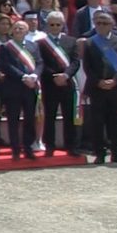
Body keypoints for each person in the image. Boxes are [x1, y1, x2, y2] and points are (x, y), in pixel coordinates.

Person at [80, 11, 117, 164]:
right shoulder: (90, 42)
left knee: (115, 121)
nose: (101, 26)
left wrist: (115, 80)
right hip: (98, 87)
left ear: (112, 25)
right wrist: (98, 81)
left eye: (105, 23)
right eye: (98, 23)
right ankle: (99, 153)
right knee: (98, 121)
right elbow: (87, 66)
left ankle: (116, 152)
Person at [37, 11, 81, 156]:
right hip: (50, 84)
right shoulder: (41, 44)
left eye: (58, 24)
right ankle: (49, 146)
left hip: (67, 83)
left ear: (62, 25)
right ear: (47, 25)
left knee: (69, 117)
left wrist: (66, 75)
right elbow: (40, 63)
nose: (55, 27)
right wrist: (54, 76)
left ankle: (71, 146)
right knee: (50, 116)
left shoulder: (71, 41)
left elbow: (75, 62)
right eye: (52, 24)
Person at [0, 21, 42, 161]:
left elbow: (40, 62)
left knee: (29, 119)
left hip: (30, 88)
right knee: (13, 119)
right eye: (15, 28)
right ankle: (16, 149)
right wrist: (23, 77)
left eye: (21, 28)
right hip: (14, 87)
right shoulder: (5, 47)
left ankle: (28, 147)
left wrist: (35, 75)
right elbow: (5, 65)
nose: (18, 30)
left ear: (26, 31)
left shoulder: (33, 46)